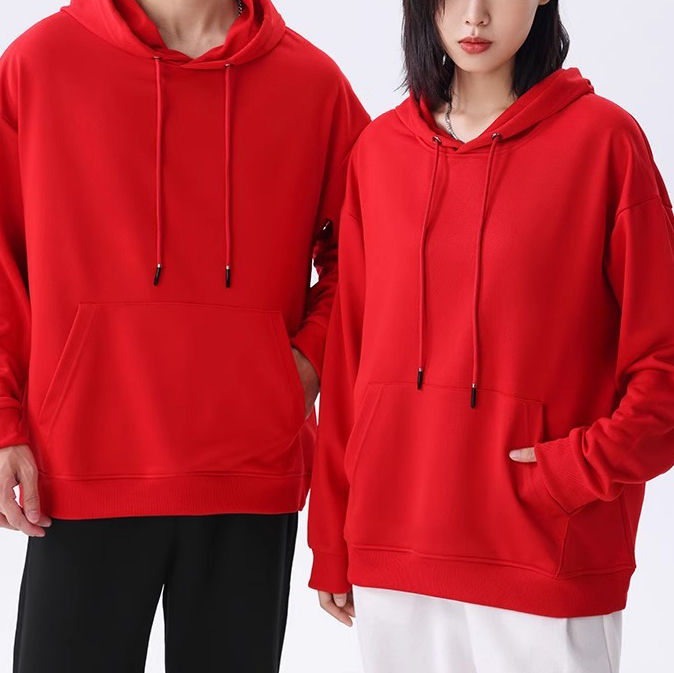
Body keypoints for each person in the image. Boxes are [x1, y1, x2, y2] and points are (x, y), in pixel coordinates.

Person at [0, 0, 369, 670]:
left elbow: (373, 253)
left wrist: (304, 367)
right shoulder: (40, 63)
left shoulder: (313, 84)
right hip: (82, 465)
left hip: (248, 472)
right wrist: (3, 421)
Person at [307, 0, 674, 671]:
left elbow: (665, 359)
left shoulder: (604, 143)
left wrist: (578, 471)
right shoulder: (379, 154)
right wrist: (331, 534)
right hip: (395, 557)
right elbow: (350, 358)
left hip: (544, 556)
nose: (474, 15)